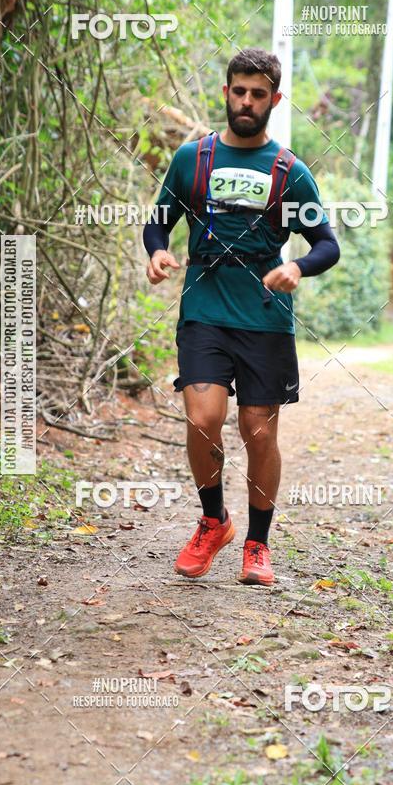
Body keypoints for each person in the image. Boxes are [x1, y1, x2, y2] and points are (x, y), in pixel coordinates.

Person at [143, 47, 340, 586]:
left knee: (258, 432)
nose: (247, 101)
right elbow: (157, 224)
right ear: (226, 92)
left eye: (258, 94)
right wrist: (157, 252)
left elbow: (327, 244)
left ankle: (257, 543)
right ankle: (214, 522)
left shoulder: (289, 171)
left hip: (264, 316)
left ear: (274, 100)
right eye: (239, 91)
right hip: (204, 308)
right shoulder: (193, 159)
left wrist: (298, 267)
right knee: (202, 419)